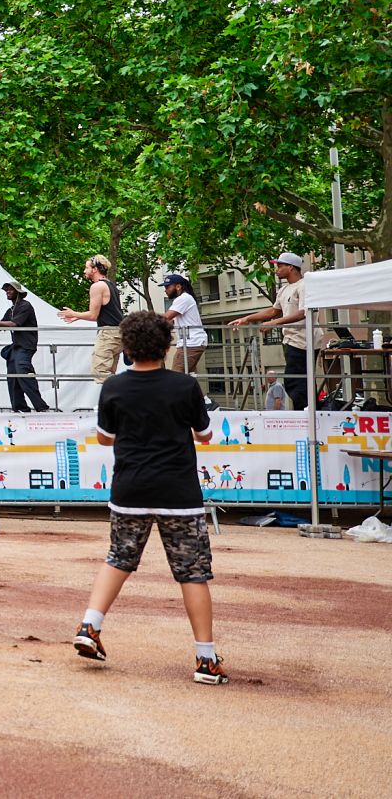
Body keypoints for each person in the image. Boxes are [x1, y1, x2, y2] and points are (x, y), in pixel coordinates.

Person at [72, 309, 226, 685]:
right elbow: (203, 433)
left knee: (119, 559)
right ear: (166, 344)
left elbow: (104, 438)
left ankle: (90, 625)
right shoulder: (184, 386)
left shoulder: (114, 388)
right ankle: (205, 659)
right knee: (192, 573)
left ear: (126, 347)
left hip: (130, 488)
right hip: (179, 491)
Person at [226, 254, 308, 409]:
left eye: (280, 266)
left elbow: (302, 312)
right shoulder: (284, 289)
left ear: (291, 267)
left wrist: (274, 323)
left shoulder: (304, 286)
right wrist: (247, 318)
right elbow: (273, 311)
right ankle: (304, 413)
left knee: (296, 382)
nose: (276, 270)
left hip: (304, 341)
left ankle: (306, 414)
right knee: (295, 381)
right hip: (291, 340)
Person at [0, 282, 50, 413]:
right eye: (6, 290)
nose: (7, 291)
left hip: (26, 346)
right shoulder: (11, 310)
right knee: (12, 376)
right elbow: (0, 327)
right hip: (16, 347)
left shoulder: (25, 306)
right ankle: (19, 408)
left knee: (22, 372)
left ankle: (42, 407)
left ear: (18, 292)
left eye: (10, 290)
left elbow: (13, 324)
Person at [59, 254, 125, 384]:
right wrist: (76, 317)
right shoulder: (111, 286)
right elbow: (105, 314)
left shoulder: (97, 286)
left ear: (95, 269)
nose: (84, 271)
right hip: (118, 333)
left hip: (108, 335)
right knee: (109, 373)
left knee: (100, 372)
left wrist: (73, 313)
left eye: (86, 267)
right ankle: (112, 403)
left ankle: (125, 396)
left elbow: (93, 315)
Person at [159, 273, 209, 380]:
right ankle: (200, 397)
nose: (165, 290)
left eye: (167, 287)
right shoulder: (184, 299)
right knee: (187, 378)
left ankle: (196, 397)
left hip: (191, 343)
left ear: (178, 286)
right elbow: (171, 322)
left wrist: (145, 320)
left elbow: (166, 317)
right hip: (192, 342)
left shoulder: (183, 298)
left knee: (176, 377)